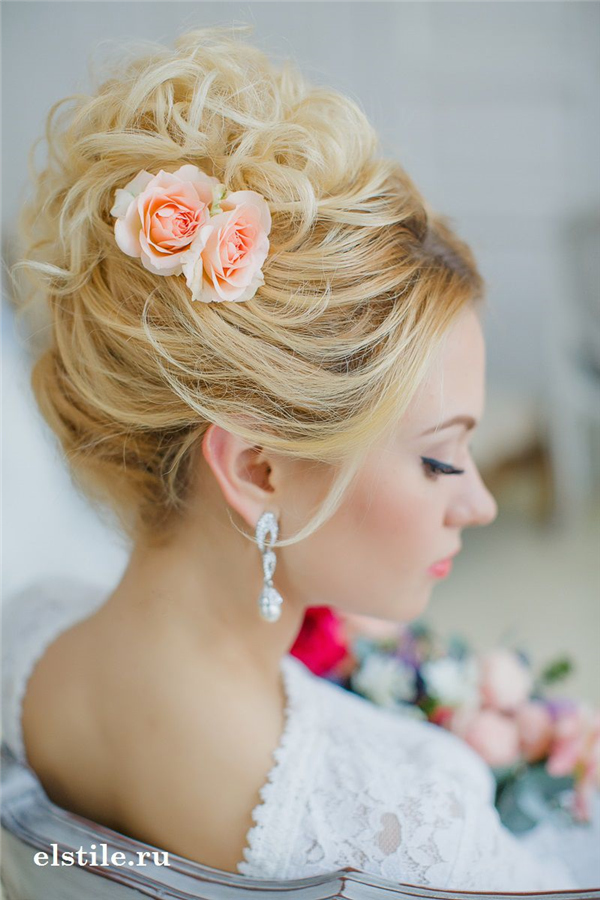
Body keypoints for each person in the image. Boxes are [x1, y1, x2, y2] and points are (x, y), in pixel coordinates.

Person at [2, 24, 580, 890]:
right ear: (257, 471)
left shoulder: (27, 637)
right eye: (440, 459)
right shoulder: (412, 815)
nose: (480, 504)